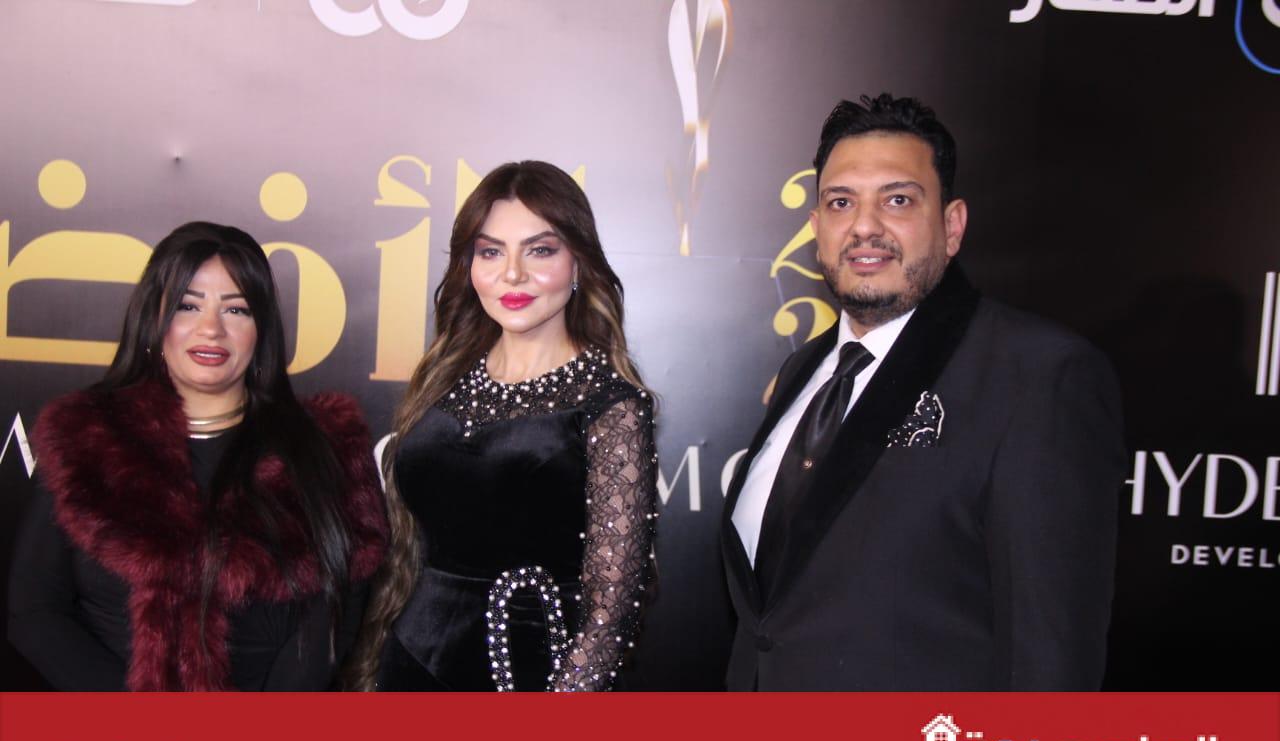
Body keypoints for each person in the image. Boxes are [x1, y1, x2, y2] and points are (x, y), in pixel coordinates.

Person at [721, 94, 1125, 691]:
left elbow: (1050, 655)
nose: (864, 226)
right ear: (816, 228)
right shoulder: (804, 370)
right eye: (841, 202)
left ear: (952, 226)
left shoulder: (1039, 376)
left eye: (898, 200)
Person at [7, 221, 388, 690]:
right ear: (154, 319)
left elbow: (334, 616)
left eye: (236, 309)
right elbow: (35, 610)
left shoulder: (323, 450)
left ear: (261, 330)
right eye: (188, 306)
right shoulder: (84, 440)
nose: (211, 329)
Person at [346, 161, 657, 692]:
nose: (512, 274)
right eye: (491, 252)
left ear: (578, 262)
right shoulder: (443, 378)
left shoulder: (612, 405)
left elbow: (612, 612)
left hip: (533, 680)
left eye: (540, 250)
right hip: (407, 668)